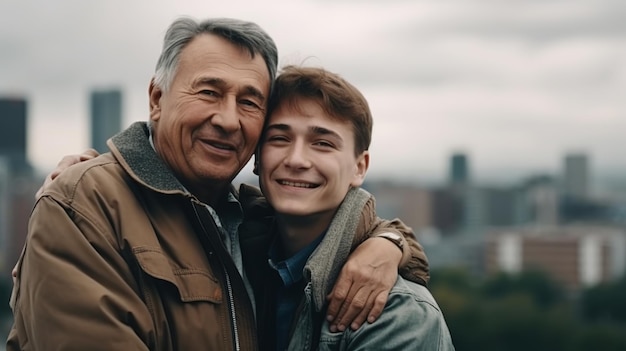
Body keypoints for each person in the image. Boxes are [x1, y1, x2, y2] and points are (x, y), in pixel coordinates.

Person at [7, 17, 429, 350]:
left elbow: (334, 231)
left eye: (248, 102)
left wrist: (390, 241)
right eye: (209, 92)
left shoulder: (248, 222)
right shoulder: (88, 204)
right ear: (157, 99)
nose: (227, 119)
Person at [243, 65, 455, 350]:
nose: (296, 160)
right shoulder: (233, 257)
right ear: (257, 157)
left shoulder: (396, 312)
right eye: (279, 138)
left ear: (359, 167)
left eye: (322, 143)